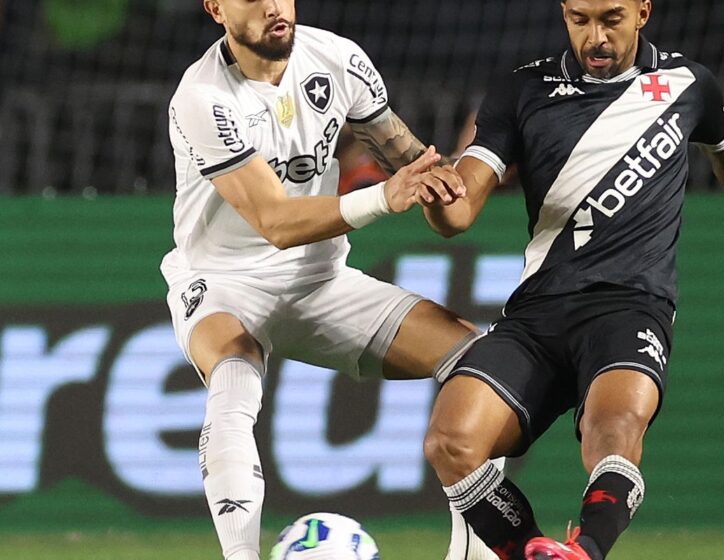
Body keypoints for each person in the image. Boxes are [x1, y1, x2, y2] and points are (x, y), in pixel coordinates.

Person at [416, 1, 724, 559]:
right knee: (450, 443)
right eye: (579, 19)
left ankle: (587, 550)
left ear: (643, 10)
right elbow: (459, 211)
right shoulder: (522, 89)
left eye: (611, 17)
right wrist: (439, 198)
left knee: (613, 428)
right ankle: (533, 552)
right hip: (537, 314)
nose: (594, 36)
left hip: (630, 307)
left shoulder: (688, 85)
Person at [162, 1, 500, 560]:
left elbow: (411, 160)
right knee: (233, 377)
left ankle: (473, 554)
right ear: (216, 8)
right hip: (223, 282)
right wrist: (384, 198)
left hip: (320, 280)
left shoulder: (338, 60)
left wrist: (452, 184)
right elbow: (274, 222)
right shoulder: (203, 97)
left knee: (485, 366)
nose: (275, 7)